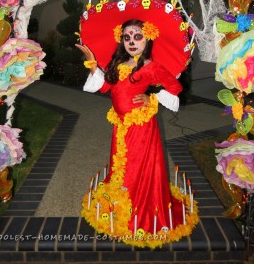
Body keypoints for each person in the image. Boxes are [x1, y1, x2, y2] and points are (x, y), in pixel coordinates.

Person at [76, 18, 198, 248]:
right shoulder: (120, 64)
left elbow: (175, 87)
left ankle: (138, 210)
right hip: (121, 126)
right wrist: (91, 62)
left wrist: (151, 97)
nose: (132, 41)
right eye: (127, 37)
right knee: (122, 164)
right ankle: (122, 203)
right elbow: (106, 86)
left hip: (141, 127)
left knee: (137, 165)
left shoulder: (152, 66)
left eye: (137, 36)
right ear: (121, 41)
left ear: (148, 38)